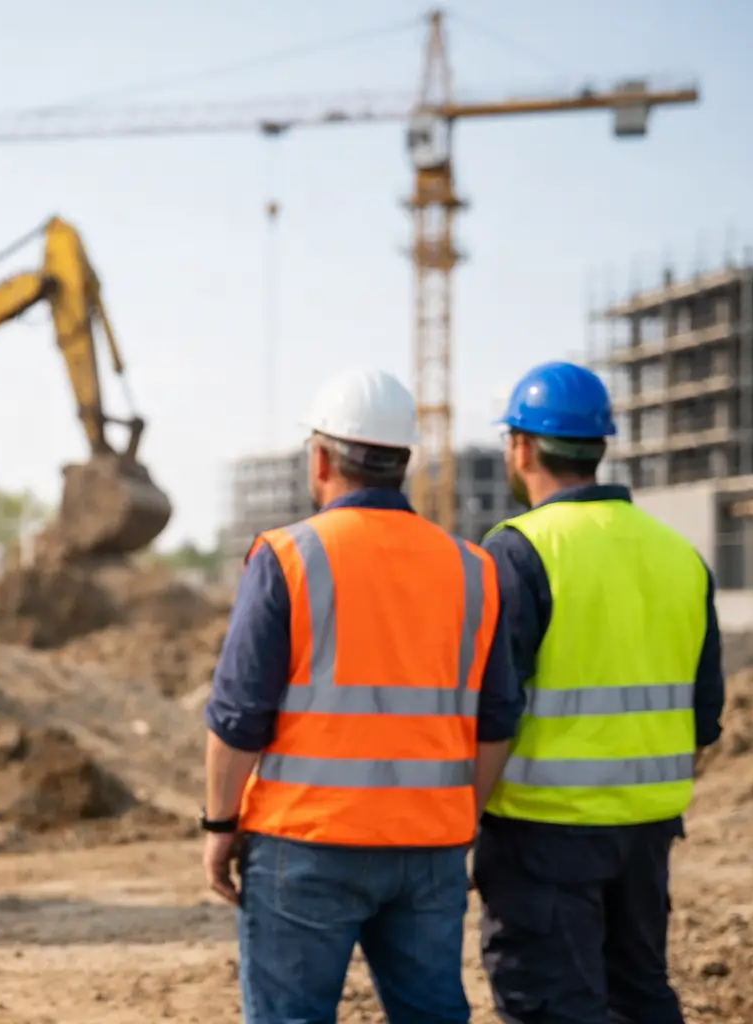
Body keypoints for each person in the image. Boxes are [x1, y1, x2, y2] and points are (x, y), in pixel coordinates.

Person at [202, 366, 522, 1024]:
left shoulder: (287, 556)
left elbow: (238, 718)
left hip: (305, 841)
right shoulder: (474, 568)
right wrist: (458, 819)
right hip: (429, 847)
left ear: (320, 459)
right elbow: (497, 723)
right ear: (404, 462)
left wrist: (219, 826)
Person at [474, 360, 725, 1024]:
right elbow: (703, 718)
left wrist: (461, 819)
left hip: (542, 836)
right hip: (646, 836)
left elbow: (492, 711)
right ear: (599, 446)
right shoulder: (680, 557)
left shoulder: (518, 551)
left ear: (522, 447)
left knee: (553, 1004)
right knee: (639, 995)